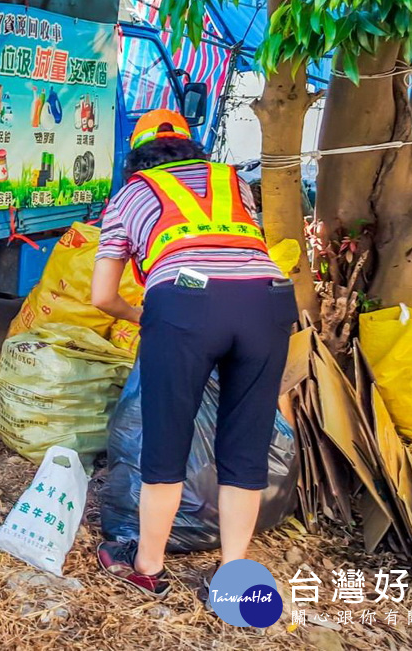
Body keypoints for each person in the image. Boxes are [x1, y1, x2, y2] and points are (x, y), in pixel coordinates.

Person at [90, 109, 296, 600]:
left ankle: (147, 566)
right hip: (267, 302)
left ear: (136, 156)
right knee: (245, 449)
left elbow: (102, 296)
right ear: (191, 149)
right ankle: (232, 577)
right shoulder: (232, 182)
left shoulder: (130, 195)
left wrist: (147, 316)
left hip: (185, 305)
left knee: (166, 447)